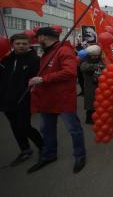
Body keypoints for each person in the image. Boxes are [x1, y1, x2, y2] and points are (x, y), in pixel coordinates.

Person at [27, 27, 86, 174]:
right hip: (48, 99)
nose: (36, 40)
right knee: (47, 130)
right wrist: (38, 84)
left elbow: (69, 72)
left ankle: (80, 156)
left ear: (44, 37)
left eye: (37, 37)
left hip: (63, 99)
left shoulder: (64, 50)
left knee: (74, 129)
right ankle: (49, 155)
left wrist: (43, 79)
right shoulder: (47, 53)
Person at [0, 33, 44, 166]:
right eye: (18, 43)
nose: (21, 46)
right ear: (12, 44)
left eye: (24, 43)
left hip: (24, 99)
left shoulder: (34, 59)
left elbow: (38, 79)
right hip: (6, 99)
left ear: (29, 44)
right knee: (14, 127)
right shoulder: (6, 58)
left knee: (25, 126)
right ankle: (25, 149)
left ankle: (43, 147)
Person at [80, 45, 105, 124]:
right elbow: (83, 67)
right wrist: (96, 66)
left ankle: (97, 118)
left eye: (97, 56)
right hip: (90, 84)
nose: (96, 57)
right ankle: (89, 119)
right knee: (90, 103)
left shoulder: (99, 59)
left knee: (99, 102)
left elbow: (104, 65)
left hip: (99, 84)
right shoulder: (85, 60)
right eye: (94, 56)